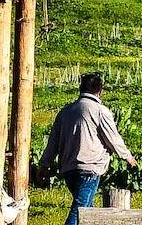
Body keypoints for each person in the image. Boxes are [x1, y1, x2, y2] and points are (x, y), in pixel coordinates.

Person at [42, 72, 133, 212]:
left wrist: (44, 164)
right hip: (90, 167)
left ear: (81, 88)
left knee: (87, 209)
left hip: (68, 168)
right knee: (80, 210)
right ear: (100, 91)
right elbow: (113, 138)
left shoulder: (65, 111)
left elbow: (53, 141)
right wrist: (128, 156)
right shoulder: (99, 111)